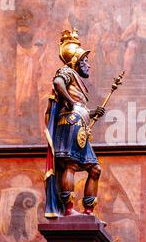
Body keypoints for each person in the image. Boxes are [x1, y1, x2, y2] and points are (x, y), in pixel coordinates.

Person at [44, 28, 106, 218]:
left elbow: (77, 102)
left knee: (95, 169)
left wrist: (92, 112)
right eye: (85, 61)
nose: (88, 65)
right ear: (75, 62)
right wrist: (71, 103)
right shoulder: (66, 71)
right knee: (70, 164)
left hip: (80, 124)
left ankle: (88, 212)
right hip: (71, 123)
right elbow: (58, 83)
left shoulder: (76, 79)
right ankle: (69, 209)